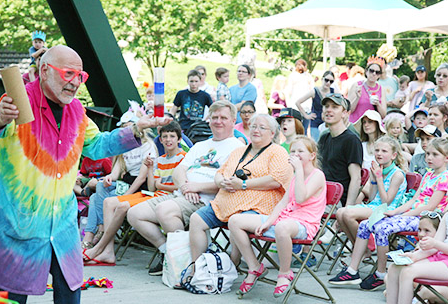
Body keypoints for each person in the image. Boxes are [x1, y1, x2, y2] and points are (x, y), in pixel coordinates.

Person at [0, 45, 172, 304]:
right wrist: (2, 117)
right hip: (14, 223)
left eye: (80, 76)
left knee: (70, 292)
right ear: (45, 70)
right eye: (68, 74)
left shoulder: (77, 112)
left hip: (61, 223)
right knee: (9, 296)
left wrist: (137, 129)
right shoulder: (18, 100)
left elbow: (98, 145)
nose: (75, 83)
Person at [126, 100, 244, 276]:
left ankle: (186, 261)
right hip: (183, 194)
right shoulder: (200, 145)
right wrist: (185, 187)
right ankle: (170, 252)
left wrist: (196, 188)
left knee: (164, 210)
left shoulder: (238, 148)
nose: (218, 121)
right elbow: (179, 171)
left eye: (223, 118)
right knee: (134, 214)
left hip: (207, 201)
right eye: (215, 117)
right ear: (209, 120)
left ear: (233, 120)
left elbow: (229, 183)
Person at [329, 137, 448, 291]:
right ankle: (352, 270)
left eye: (435, 154)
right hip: (411, 214)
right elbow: (414, 199)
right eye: (427, 154)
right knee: (366, 224)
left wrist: (403, 215)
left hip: (426, 220)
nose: (429, 158)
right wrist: (395, 211)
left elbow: (429, 207)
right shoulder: (428, 175)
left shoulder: (445, 179)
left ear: (447, 158)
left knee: (382, 228)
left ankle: (380, 273)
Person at [188, 113, 293, 270]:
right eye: (253, 126)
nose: (256, 130)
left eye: (262, 127)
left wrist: (243, 184)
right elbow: (220, 172)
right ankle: (197, 268)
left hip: (257, 207)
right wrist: (220, 182)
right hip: (225, 203)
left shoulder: (277, 152)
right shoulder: (239, 151)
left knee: (235, 221)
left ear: (272, 133)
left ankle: (233, 266)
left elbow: (275, 180)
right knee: (196, 219)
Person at [228, 136, 326, 298]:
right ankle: (255, 267)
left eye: (300, 151)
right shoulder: (295, 177)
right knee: (235, 221)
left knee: (282, 227)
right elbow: (282, 204)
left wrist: (299, 171)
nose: (295, 154)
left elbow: (301, 198)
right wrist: (268, 222)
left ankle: (285, 272)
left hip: (304, 224)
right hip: (285, 220)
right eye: (293, 151)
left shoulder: (317, 175)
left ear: (312, 156)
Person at [83, 121, 186, 266]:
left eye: (172, 136)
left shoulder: (183, 158)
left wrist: (158, 184)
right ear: (160, 139)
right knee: (105, 200)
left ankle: (100, 247)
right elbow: (152, 187)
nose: (168, 139)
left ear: (179, 139)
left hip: (159, 196)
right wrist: (150, 169)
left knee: (120, 205)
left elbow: (177, 186)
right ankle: (107, 248)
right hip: (152, 194)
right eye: (165, 137)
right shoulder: (161, 160)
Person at [82, 109, 157, 249]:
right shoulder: (125, 145)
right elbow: (115, 172)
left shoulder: (147, 146)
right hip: (125, 183)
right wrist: (108, 178)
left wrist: (126, 197)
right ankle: (97, 231)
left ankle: (95, 236)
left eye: (128, 126)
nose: (126, 130)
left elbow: (141, 179)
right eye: (123, 127)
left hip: (140, 187)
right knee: (100, 187)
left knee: (96, 199)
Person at [386, 170, 448, 303]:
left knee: (408, 272)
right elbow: (434, 245)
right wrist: (414, 256)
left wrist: (436, 245)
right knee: (394, 268)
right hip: (440, 258)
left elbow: (437, 245)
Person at [336, 136, 407, 247]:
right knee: (340, 213)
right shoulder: (378, 169)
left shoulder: (397, 174)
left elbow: (386, 202)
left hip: (387, 210)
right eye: (377, 150)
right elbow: (373, 198)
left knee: (348, 214)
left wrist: (379, 179)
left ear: (393, 155)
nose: (379, 153)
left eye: (384, 151)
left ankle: (367, 245)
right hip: (375, 206)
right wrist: (374, 180)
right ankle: (359, 247)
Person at [384, 211, 444, 303]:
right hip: (417, 280)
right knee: (389, 276)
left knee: (405, 276)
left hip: (433, 284)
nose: (421, 234)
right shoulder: (420, 245)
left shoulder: (440, 249)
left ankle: (410, 297)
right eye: (419, 230)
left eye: (427, 231)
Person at [318, 93, 363, 207]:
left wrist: (347, 209)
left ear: (344, 113)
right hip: (318, 195)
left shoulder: (351, 140)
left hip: (336, 202)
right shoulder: (324, 137)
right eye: (326, 106)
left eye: (334, 107)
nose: (328, 110)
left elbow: (356, 178)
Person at [295, 71, 335, 141]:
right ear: (322, 79)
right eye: (326, 80)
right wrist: (306, 116)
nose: (328, 83)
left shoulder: (333, 92)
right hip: (316, 122)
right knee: (316, 144)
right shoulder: (315, 91)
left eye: (331, 81)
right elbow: (298, 102)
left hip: (328, 123)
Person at [349, 56, 387, 123]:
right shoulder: (357, 85)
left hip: (372, 127)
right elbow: (349, 110)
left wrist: (378, 104)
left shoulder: (381, 89)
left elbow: (383, 115)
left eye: (377, 72)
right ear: (366, 72)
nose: (374, 74)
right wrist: (357, 98)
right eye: (371, 71)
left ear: (379, 75)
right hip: (356, 124)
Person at [284, 59, 314, 135]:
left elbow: (312, 89)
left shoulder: (308, 76)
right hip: (296, 106)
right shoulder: (293, 76)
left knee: (303, 130)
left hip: (305, 106)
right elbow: (289, 91)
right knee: (299, 130)